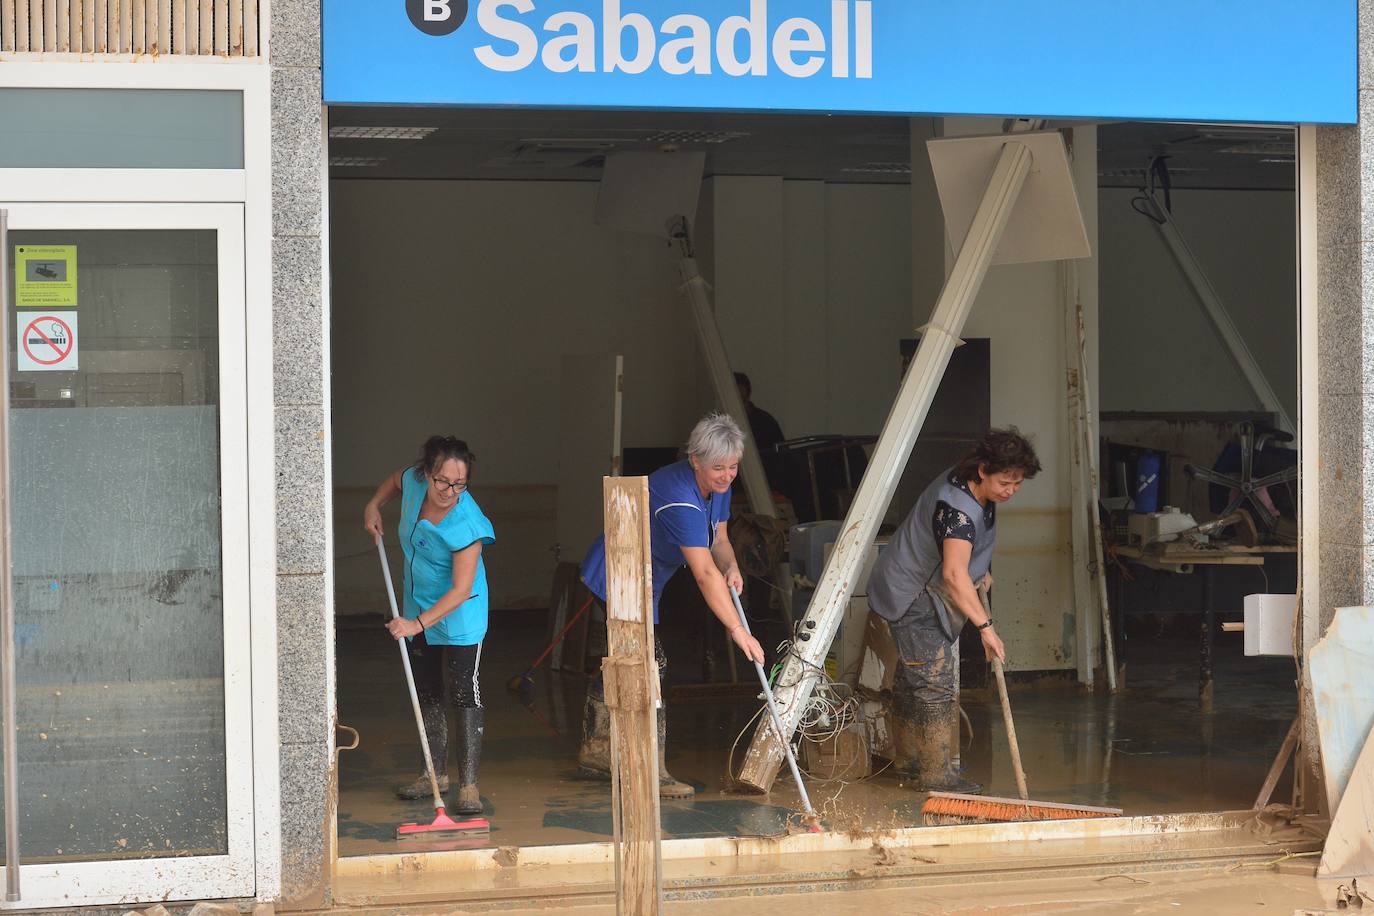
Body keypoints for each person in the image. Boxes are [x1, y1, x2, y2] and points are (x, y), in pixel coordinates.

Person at [577, 412, 766, 798]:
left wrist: (730, 565)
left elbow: (720, 540)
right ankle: (650, 770)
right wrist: (738, 630)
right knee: (650, 664)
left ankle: (596, 750)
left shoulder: (719, 482)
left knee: (627, 656)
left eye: (733, 467)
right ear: (695, 460)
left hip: (650, 577)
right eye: (719, 467)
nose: (728, 475)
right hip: (620, 574)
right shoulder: (679, 498)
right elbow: (703, 574)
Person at [867, 428, 1041, 794]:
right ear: (983, 471)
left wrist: (981, 568)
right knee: (934, 685)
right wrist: (986, 627)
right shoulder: (956, 510)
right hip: (912, 592)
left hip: (917, 581)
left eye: (1017, 483)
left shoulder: (972, 484)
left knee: (915, 679)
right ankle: (936, 777)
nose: (1011, 490)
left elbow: (965, 554)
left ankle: (910, 764)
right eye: (1005, 482)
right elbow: (952, 572)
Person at [363, 436, 496, 816]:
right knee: (426, 688)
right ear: (428, 473)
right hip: (417, 604)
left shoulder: (468, 523)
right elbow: (394, 481)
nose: (449, 491)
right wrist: (374, 505)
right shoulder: (415, 481)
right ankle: (433, 774)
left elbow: (459, 590)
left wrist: (416, 625)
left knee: (463, 691)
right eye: (442, 481)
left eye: (459, 484)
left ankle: (468, 785)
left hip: (459, 615)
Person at [733, 371, 786, 491]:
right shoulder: (721, 424)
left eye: (742, 399)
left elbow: (780, 460)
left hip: (764, 484)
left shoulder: (765, 422)